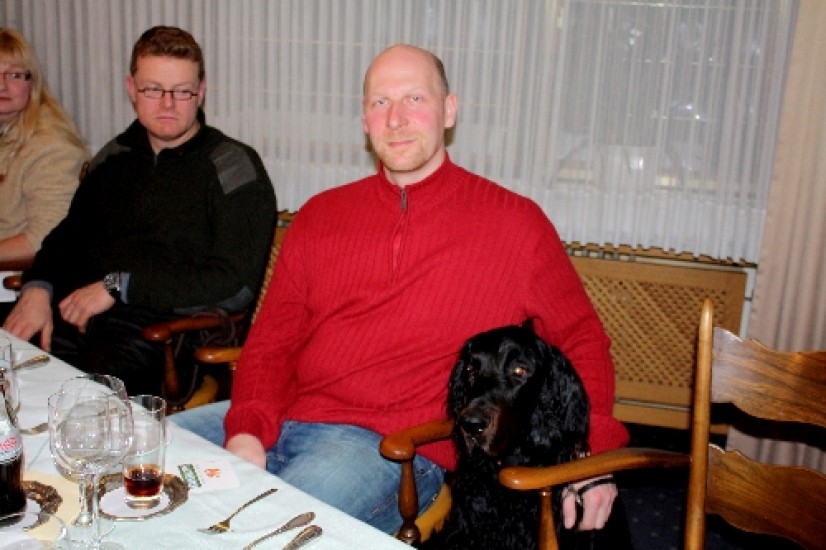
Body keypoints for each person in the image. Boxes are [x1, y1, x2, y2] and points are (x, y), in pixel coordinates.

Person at [173, 43, 629, 536]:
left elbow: (582, 339)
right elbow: (272, 343)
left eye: (414, 99)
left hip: (388, 448)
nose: (396, 119)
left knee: (261, 531)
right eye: (380, 102)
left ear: (449, 111)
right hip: (281, 419)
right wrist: (247, 430)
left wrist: (591, 455)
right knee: (133, 456)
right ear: (364, 119)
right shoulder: (320, 216)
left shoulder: (517, 224)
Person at [3, 26, 275, 396]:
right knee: (12, 372)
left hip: (162, 333)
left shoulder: (232, 167)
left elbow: (234, 286)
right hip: (78, 313)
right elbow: (67, 238)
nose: (167, 104)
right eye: (153, 90)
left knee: (77, 400)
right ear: (131, 89)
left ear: (201, 91)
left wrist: (120, 286)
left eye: (181, 91)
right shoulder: (115, 156)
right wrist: (38, 287)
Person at [0, 28, 88, 322]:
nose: (2, 85)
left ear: (32, 83)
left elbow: (45, 240)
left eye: (14, 75)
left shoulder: (51, 147)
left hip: (19, 288)